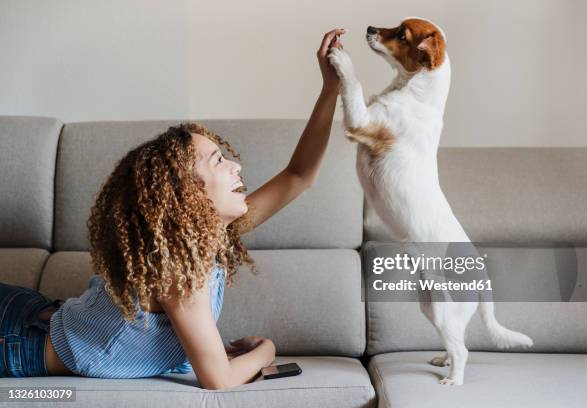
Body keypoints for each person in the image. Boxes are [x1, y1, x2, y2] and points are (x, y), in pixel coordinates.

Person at [0, 28, 346, 389]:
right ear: (187, 194)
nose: (236, 166)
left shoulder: (205, 237)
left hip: (35, 313)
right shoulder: (177, 268)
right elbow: (219, 379)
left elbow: (299, 175)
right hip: (18, 340)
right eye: (217, 161)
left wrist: (330, 89)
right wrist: (267, 349)